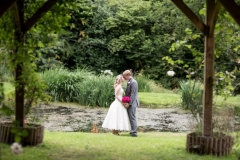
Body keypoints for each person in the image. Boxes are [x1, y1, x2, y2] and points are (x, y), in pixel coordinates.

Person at [122, 70, 140, 137]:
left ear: (127, 75)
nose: (124, 78)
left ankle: (134, 132)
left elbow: (133, 94)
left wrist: (129, 103)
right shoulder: (129, 82)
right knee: (130, 117)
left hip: (133, 102)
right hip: (129, 102)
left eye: (124, 76)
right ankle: (132, 130)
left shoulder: (134, 82)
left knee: (132, 117)